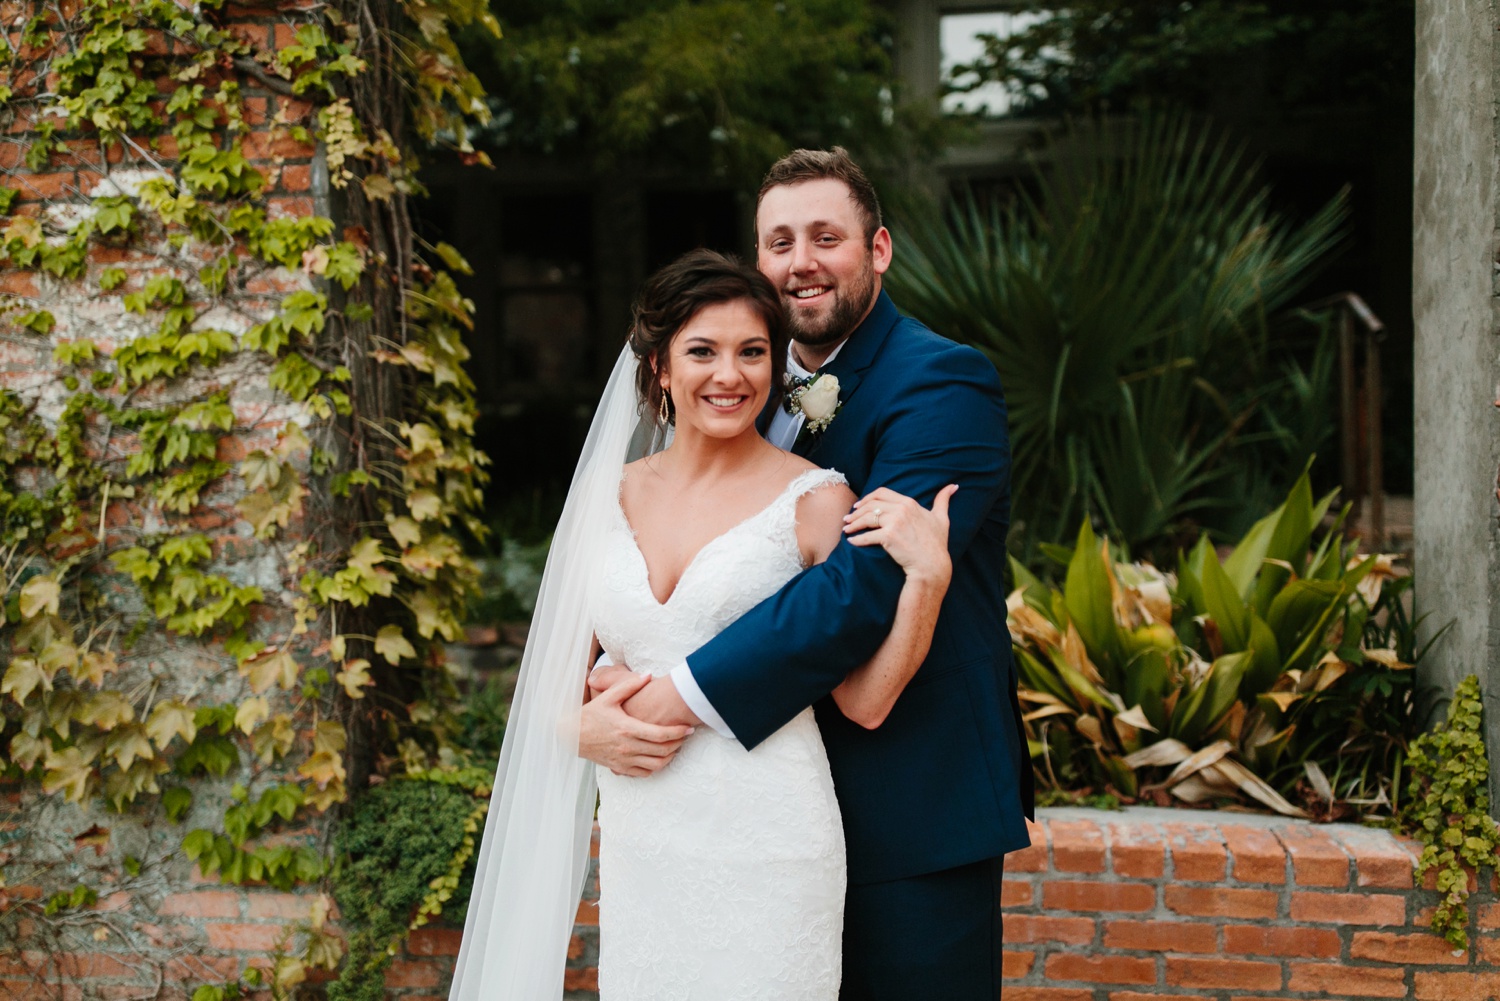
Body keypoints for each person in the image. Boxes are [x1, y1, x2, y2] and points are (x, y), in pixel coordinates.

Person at [583, 147, 1033, 1000]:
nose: (802, 262)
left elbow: (858, 586)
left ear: (879, 249)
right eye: (780, 242)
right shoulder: (746, 385)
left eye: (827, 237)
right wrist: (581, 715)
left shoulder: (942, 382)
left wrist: (669, 696)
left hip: (907, 802)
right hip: (728, 811)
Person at [447, 249, 956, 1001]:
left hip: (772, 840)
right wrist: (575, 729)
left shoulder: (817, 503)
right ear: (659, 367)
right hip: (644, 842)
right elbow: (552, 682)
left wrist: (929, 580)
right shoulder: (604, 498)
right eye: (702, 352)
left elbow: (864, 699)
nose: (730, 375)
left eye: (752, 352)